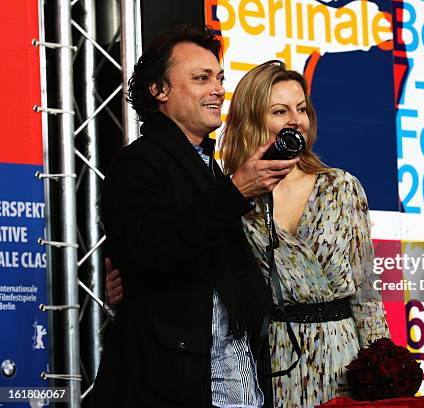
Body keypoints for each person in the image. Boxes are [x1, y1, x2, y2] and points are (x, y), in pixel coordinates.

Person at [107, 60, 390, 407]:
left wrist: (382, 366)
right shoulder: (231, 193)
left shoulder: (340, 187)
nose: (294, 120)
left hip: (341, 357)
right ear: (253, 119)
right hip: (270, 360)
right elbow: (197, 263)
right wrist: (133, 287)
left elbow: (365, 292)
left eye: (301, 109)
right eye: (280, 110)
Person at [91, 26, 299, 408]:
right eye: (201, 78)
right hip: (175, 382)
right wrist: (236, 191)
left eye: (219, 78)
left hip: (234, 377)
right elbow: (150, 250)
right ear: (160, 90)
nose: (217, 89)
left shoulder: (207, 167)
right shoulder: (137, 163)